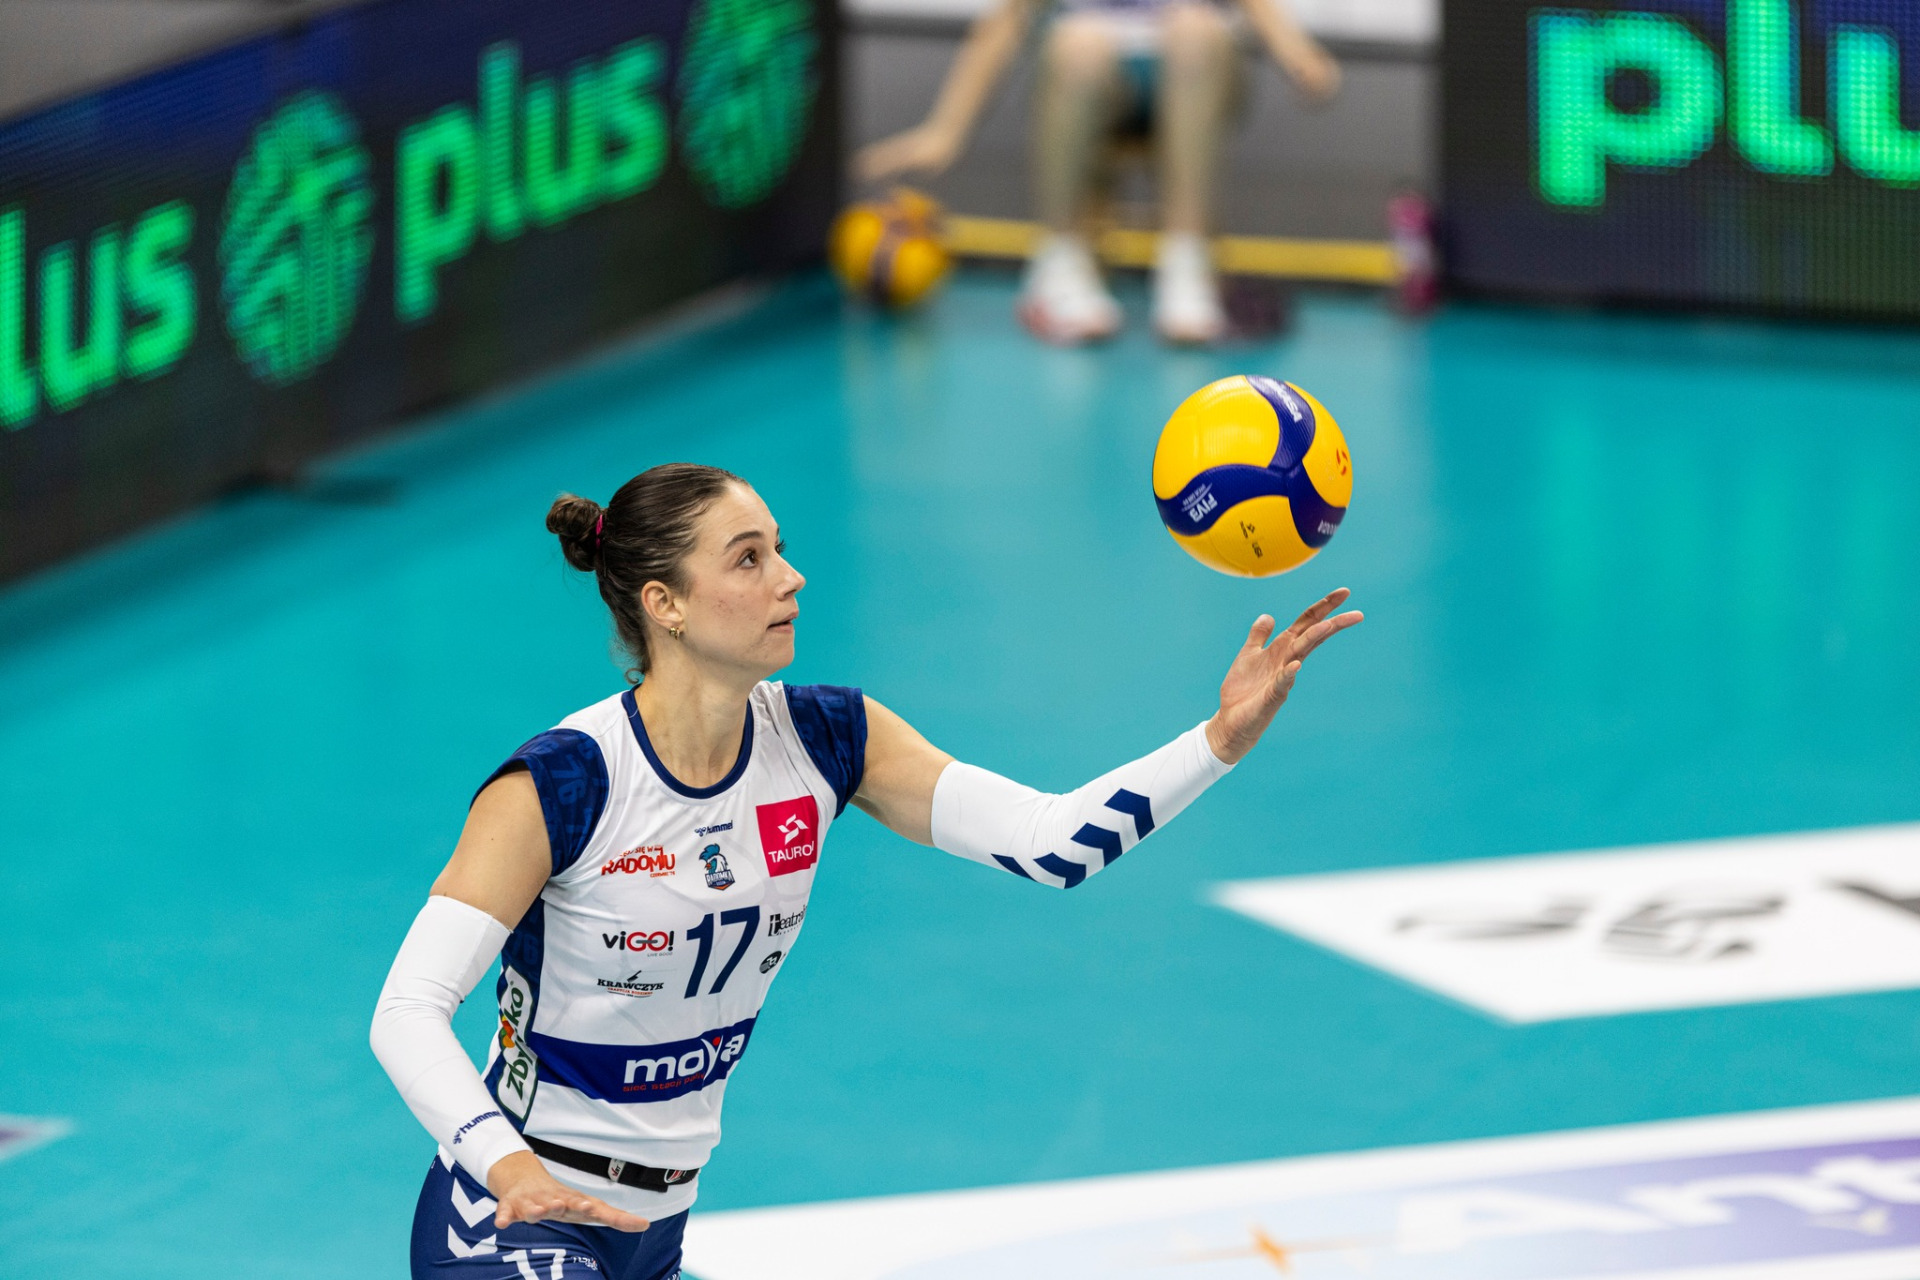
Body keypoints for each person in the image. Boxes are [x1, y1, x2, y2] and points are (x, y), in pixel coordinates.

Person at [371, 463, 1360, 1279]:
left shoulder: (827, 738)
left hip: (657, 1229)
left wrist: (1217, 741)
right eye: (749, 559)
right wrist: (503, 1165)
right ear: (664, 604)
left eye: (780, 548)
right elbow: (407, 1010)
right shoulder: (566, 783)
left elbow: (1053, 843)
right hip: (513, 1217)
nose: (791, 578)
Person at [857, 0, 1341, 345]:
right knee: (1079, 41)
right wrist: (945, 129)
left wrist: (1299, 56)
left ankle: (1187, 266)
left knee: (1195, 28)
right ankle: (1062, 260)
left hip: (1195, 73)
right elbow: (1006, 21)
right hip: (1091, 81)